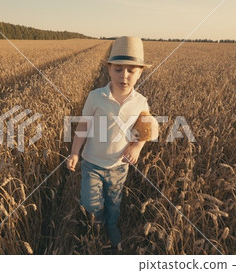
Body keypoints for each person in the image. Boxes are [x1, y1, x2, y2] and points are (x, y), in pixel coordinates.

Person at [67, 36, 152, 249]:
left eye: (131, 70)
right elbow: (83, 127)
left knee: (114, 203)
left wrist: (137, 148)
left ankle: (111, 226)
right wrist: (75, 153)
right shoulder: (95, 97)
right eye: (118, 69)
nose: (124, 75)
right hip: (92, 163)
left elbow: (146, 130)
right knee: (90, 203)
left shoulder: (141, 102)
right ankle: (98, 226)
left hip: (118, 166)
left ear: (140, 72)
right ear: (109, 69)